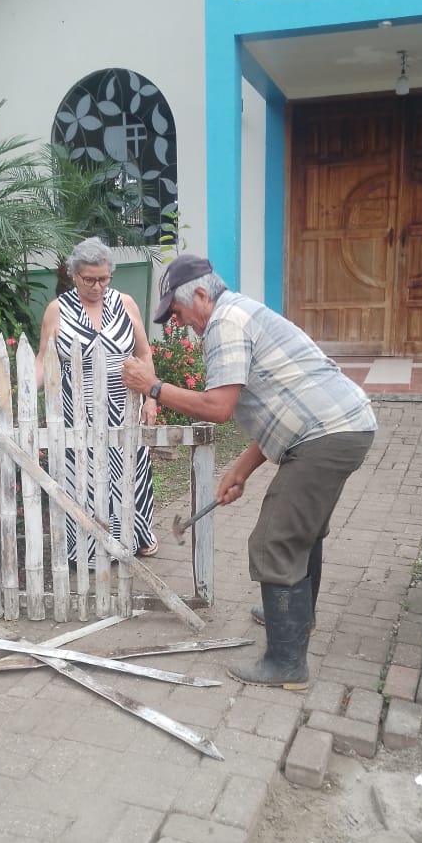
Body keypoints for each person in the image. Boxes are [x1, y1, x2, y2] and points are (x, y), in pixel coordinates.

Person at [122, 254, 377, 689]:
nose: (179, 324)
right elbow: (279, 407)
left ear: (200, 295)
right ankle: (297, 618)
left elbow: (218, 408)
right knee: (302, 529)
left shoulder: (225, 323)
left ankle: (286, 663)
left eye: (178, 313)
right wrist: (240, 469)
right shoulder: (241, 312)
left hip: (326, 434)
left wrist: (153, 387)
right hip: (339, 427)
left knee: (274, 539)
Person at [36, 236, 158, 562]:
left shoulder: (125, 303)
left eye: (104, 278)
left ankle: (134, 538)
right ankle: (87, 550)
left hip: (123, 406)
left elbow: (144, 353)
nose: (97, 286)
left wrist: (151, 398)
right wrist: (21, 398)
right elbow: (43, 360)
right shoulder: (57, 310)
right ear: (74, 275)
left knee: (129, 474)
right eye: (89, 279)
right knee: (83, 477)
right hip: (76, 409)